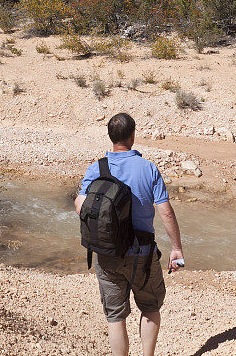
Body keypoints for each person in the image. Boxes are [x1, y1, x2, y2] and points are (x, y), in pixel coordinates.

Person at [75, 112, 184, 356]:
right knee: (150, 307)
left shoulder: (96, 168)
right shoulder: (148, 168)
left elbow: (80, 206)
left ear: (111, 137)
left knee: (115, 316)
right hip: (142, 255)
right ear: (133, 136)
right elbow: (166, 212)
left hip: (107, 252)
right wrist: (176, 248)